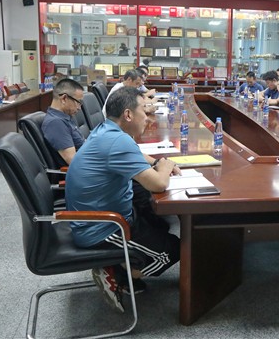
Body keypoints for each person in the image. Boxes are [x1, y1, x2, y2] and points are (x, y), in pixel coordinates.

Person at [65, 86, 180, 313]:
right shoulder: (118, 142)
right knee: (173, 251)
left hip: (106, 214)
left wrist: (157, 162)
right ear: (128, 114)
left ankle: (123, 265)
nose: (147, 117)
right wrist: (165, 167)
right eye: (144, 111)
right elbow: (158, 184)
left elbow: (134, 154)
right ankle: (117, 274)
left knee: (160, 223)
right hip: (103, 228)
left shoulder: (106, 130)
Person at [41, 78, 85, 166]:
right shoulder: (55, 123)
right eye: (78, 102)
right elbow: (74, 161)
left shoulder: (65, 116)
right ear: (64, 98)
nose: (79, 108)